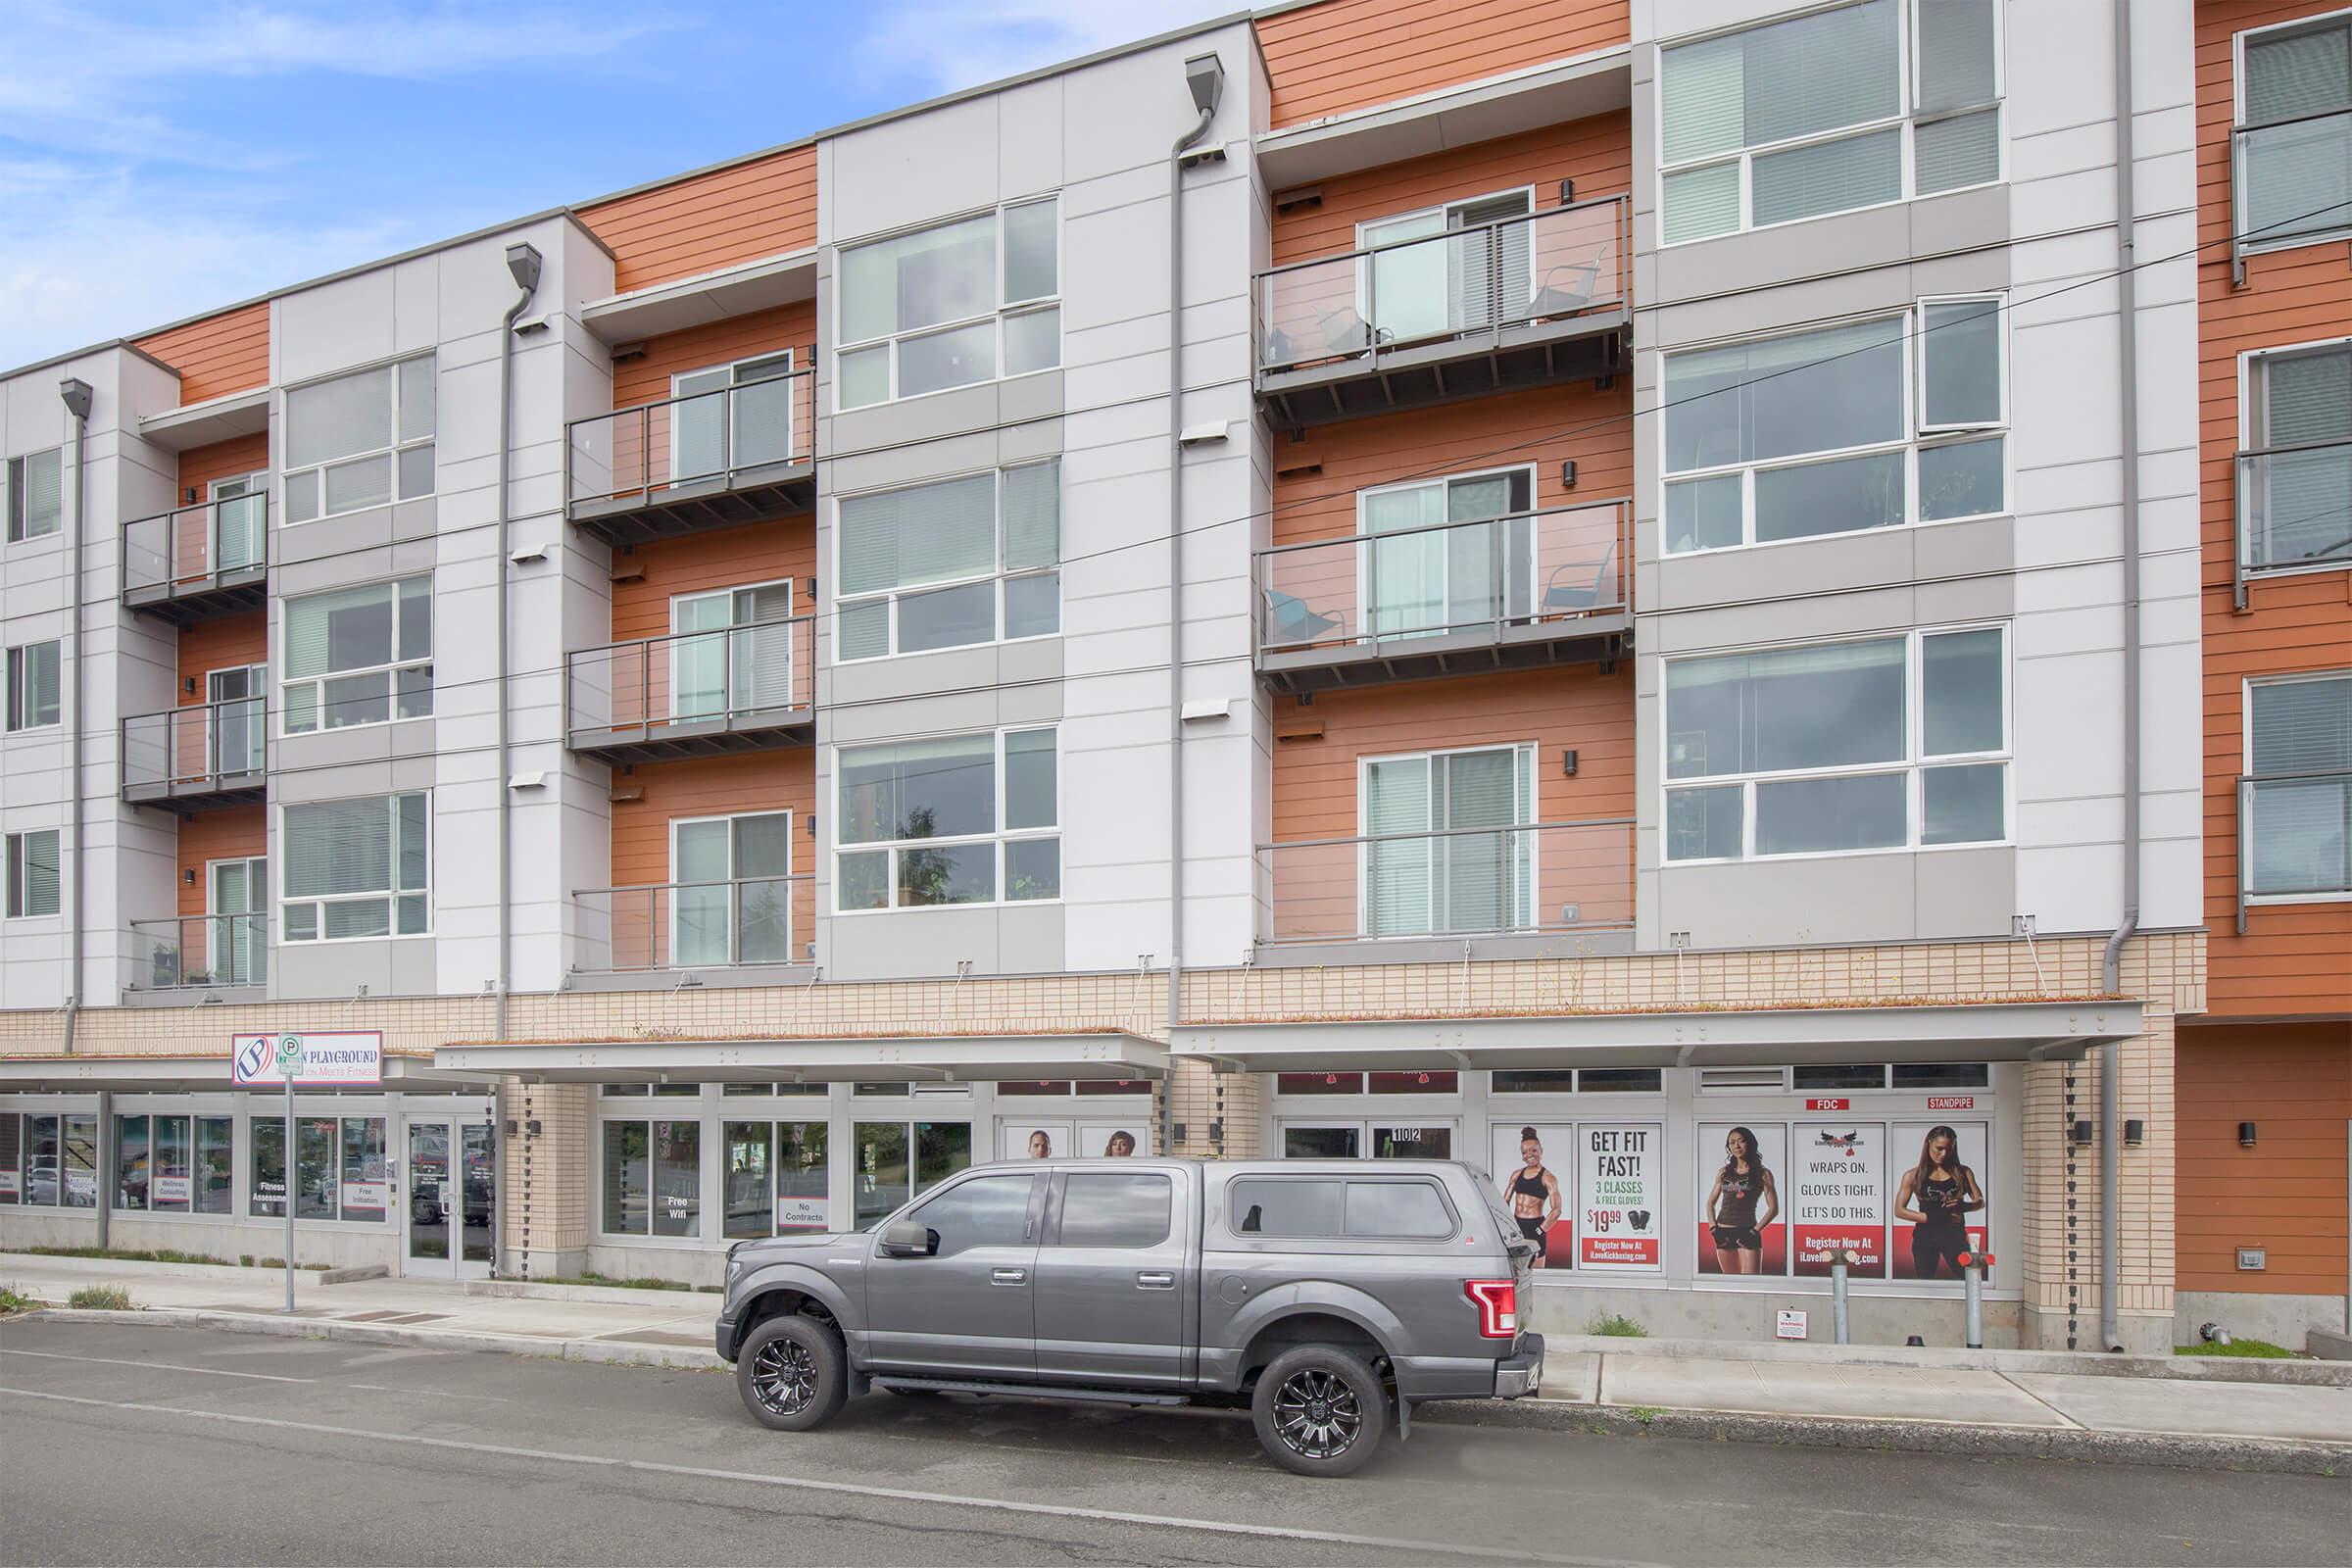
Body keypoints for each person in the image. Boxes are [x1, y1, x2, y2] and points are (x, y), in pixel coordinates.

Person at [1893, 1125, 1984, 1280]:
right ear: (1929, 1143)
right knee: (1925, 1282)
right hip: (1925, 1236)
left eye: (1948, 1150)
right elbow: (1899, 1210)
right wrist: (1934, 1217)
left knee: (1969, 1279)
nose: (1943, 1154)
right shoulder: (1912, 1175)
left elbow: (1980, 1202)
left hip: (1954, 1236)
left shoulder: (1963, 1172)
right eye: (1939, 1148)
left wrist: (1966, 1206)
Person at [1700, 1126, 1779, 1275]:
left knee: (1751, 1284)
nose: (1736, 1146)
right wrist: (1714, 1229)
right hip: (1723, 1232)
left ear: (1750, 1143)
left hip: (1747, 1231)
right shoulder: (1724, 1172)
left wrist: (1755, 1231)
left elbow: (1773, 1209)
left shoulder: (1763, 1174)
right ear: (1728, 1147)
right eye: (1732, 1143)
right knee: (1730, 1283)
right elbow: (1710, 1203)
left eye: (1741, 1141)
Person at [1501, 1128, 1562, 1267]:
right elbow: (1505, 1202)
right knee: (1515, 1268)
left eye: (1533, 1150)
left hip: (1536, 1226)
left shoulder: (1548, 1177)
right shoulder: (1516, 1175)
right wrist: (1508, 1224)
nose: (1529, 1155)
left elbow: (1557, 1210)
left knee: (1537, 1272)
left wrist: (1541, 1229)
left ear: (1541, 1151)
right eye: (1524, 1152)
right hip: (1517, 1226)